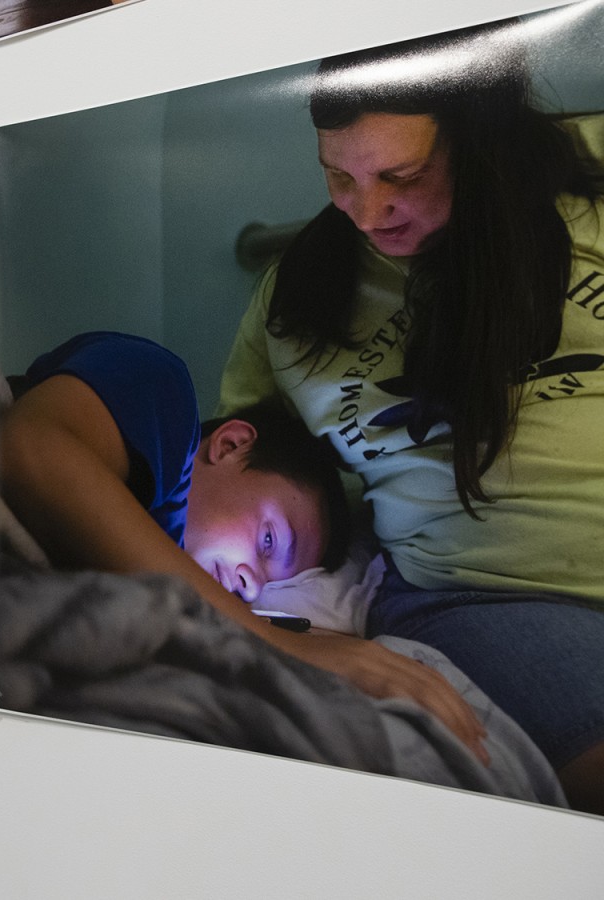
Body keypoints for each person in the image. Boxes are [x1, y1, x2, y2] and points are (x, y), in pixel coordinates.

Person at [217, 20, 604, 811]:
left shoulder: (584, 177)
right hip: (490, 595)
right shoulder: (296, 303)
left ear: (473, 141)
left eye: (405, 175)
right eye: (339, 179)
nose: (368, 213)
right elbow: (252, 476)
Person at [0, 330, 490, 760]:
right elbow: (32, 451)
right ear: (231, 445)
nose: (250, 586)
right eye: (269, 540)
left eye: (267, 582)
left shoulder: (156, 576)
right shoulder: (162, 389)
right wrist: (279, 644)